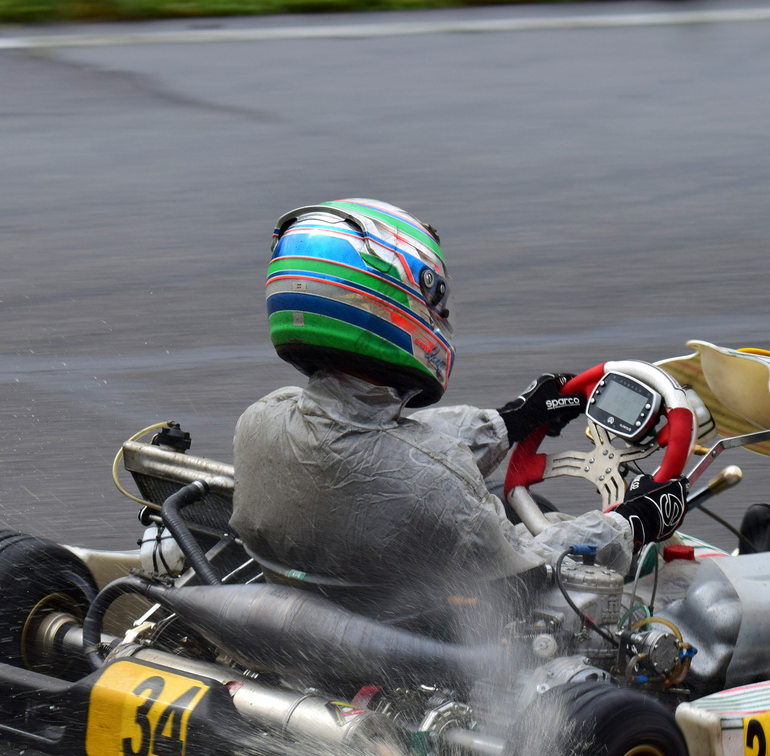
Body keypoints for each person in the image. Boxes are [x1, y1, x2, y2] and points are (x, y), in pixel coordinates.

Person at [229, 199, 689, 616]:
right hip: (442, 655)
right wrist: (633, 522)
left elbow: (382, 440)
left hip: (329, 621)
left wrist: (514, 420)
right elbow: (537, 565)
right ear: (390, 303)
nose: (441, 316)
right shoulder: (434, 486)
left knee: (530, 503)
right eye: (436, 301)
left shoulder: (261, 422)